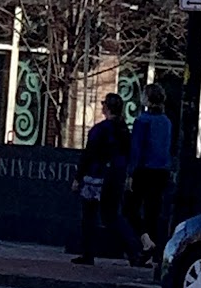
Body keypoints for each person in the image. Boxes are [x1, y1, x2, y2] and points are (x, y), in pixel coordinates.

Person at [73, 93, 146, 267]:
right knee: (112, 215)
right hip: (116, 176)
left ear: (107, 108)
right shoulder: (123, 130)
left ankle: (88, 253)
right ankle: (134, 251)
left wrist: (78, 177)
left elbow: (89, 154)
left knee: (89, 216)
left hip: (96, 176)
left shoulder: (99, 130)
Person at [128, 83, 172, 260]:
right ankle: (152, 249)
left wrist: (131, 173)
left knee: (130, 209)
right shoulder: (167, 121)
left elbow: (136, 148)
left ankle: (146, 241)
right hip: (161, 170)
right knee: (153, 210)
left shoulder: (143, 121)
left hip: (144, 169)